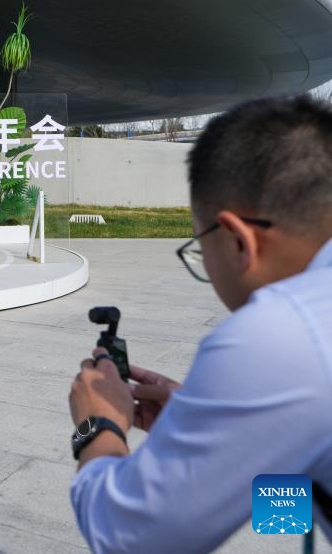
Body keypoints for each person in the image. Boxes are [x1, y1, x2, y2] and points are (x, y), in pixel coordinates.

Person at [68, 95, 332, 552]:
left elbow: (127, 537)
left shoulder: (285, 333)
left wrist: (98, 425)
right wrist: (223, 433)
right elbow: (308, 498)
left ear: (236, 239)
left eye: (199, 244)